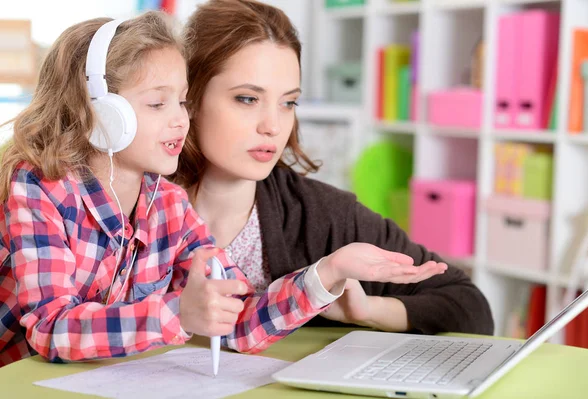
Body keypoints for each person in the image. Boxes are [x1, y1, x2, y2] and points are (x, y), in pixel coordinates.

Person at [0, 11, 442, 368]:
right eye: (157, 103)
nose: (179, 120)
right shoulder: (41, 186)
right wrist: (177, 313)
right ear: (101, 112)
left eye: (183, 101)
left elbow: (241, 321)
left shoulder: (167, 206)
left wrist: (328, 272)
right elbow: (50, 328)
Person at [173, 0, 494, 336]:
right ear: (190, 99)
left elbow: (468, 305)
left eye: (288, 103)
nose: (273, 126)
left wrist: (368, 310)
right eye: (248, 99)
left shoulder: (322, 215)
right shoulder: (135, 206)